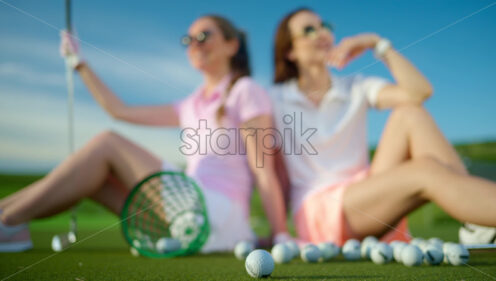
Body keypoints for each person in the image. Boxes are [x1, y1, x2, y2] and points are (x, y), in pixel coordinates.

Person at [0, 15, 289, 252]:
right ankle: (7, 219)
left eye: (204, 36)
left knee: (107, 143)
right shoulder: (190, 104)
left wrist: (280, 235)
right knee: (95, 178)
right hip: (187, 214)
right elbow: (119, 110)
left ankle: (9, 222)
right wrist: (79, 63)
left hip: (218, 215)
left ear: (231, 45)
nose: (195, 45)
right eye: (188, 40)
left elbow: (262, 170)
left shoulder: (245, 91)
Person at [270, 8, 496, 245]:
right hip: (321, 210)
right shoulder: (274, 99)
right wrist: (278, 232)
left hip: (367, 192)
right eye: (308, 30)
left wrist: (376, 43)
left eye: (324, 26)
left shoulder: (355, 86)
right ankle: (479, 218)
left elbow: (419, 92)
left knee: (410, 113)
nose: (321, 33)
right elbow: (267, 170)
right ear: (289, 51)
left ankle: (476, 221)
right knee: (425, 170)